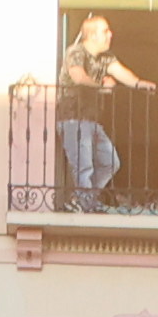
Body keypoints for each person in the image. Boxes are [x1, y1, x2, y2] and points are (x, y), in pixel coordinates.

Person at [56, 16, 146, 208]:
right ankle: (84, 201)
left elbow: (120, 72)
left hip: (92, 120)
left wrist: (139, 83)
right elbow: (78, 76)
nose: (110, 34)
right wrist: (101, 87)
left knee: (110, 162)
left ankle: (83, 199)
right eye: (105, 31)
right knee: (84, 165)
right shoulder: (76, 52)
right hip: (73, 118)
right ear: (92, 35)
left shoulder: (106, 57)